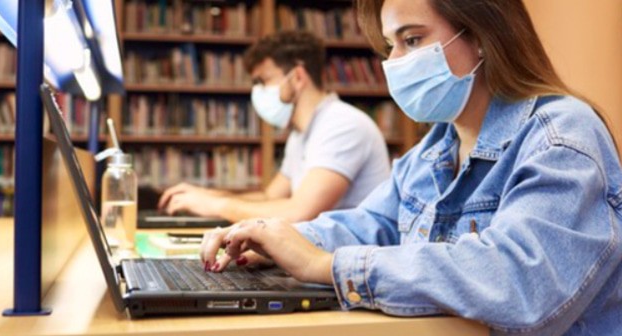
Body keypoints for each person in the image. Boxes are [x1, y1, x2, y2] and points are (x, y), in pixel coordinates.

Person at [199, 0, 622, 334]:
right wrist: (272, 240)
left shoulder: (562, 136)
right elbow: (369, 226)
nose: (395, 62)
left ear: (481, 36)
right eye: (390, 47)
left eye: (413, 40)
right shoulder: (434, 148)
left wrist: (325, 266)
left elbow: (519, 282)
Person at [158, 31, 391, 223]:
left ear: (298, 77)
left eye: (263, 81)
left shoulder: (342, 125)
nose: (257, 91)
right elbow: (270, 197)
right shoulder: (302, 133)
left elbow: (299, 212)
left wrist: (216, 205)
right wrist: (207, 195)